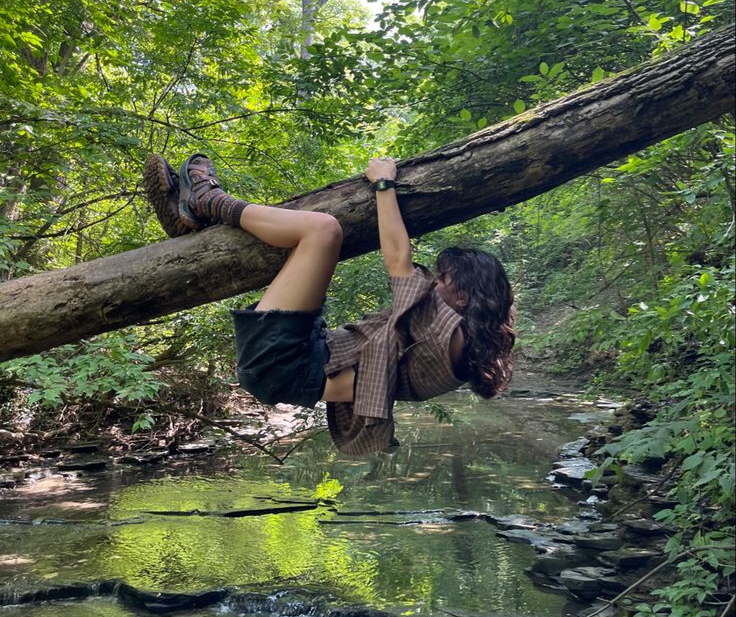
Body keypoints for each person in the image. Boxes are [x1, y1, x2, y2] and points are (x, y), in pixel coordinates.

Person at [143, 152, 515, 454]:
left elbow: (399, 260)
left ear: (464, 295)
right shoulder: (465, 353)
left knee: (323, 230)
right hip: (295, 364)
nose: (433, 282)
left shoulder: (447, 330)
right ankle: (192, 219)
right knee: (313, 242)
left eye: (443, 278)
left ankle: (209, 201)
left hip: (283, 363)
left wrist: (384, 182)